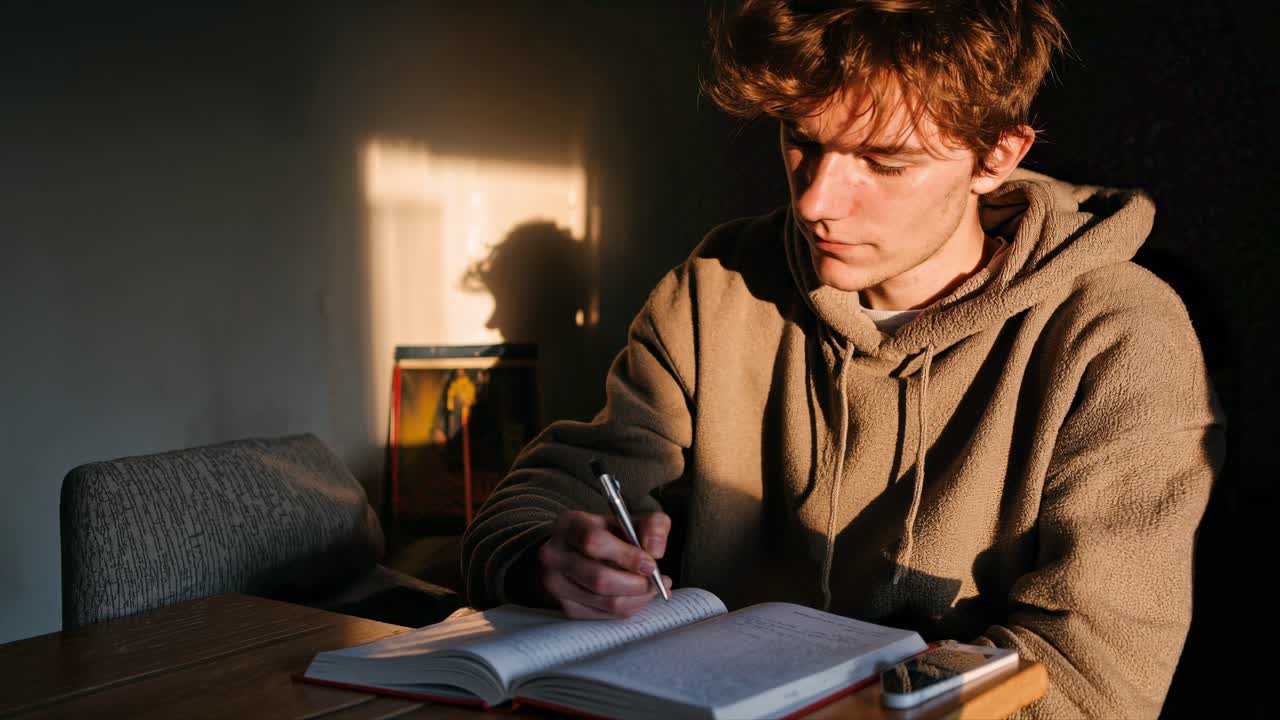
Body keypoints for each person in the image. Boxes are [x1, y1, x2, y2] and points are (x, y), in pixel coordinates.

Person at [461, 1, 1224, 717]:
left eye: (883, 162)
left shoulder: (1119, 334)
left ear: (998, 155)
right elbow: (557, 487)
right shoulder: (718, 285)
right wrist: (546, 557)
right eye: (803, 140)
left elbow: (1096, 681)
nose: (817, 200)